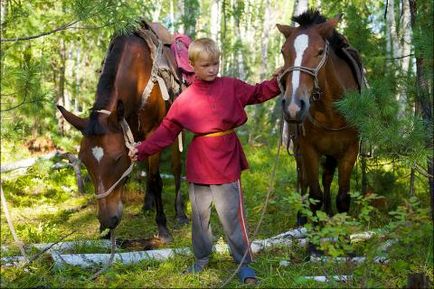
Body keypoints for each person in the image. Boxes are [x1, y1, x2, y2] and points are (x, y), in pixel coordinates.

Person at [130, 38, 281, 285]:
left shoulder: (232, 86)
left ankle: (243, 263)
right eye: (206, 65)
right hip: (199, 163)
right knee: (200, 218)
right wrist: (142, 150)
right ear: (192, 66)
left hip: (226, 160)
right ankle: (201, 258)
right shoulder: (185, 99)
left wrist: (279, 81)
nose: (212, 69)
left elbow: (258, 92)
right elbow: (166, 131)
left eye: (215, 64)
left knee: (232, 216)